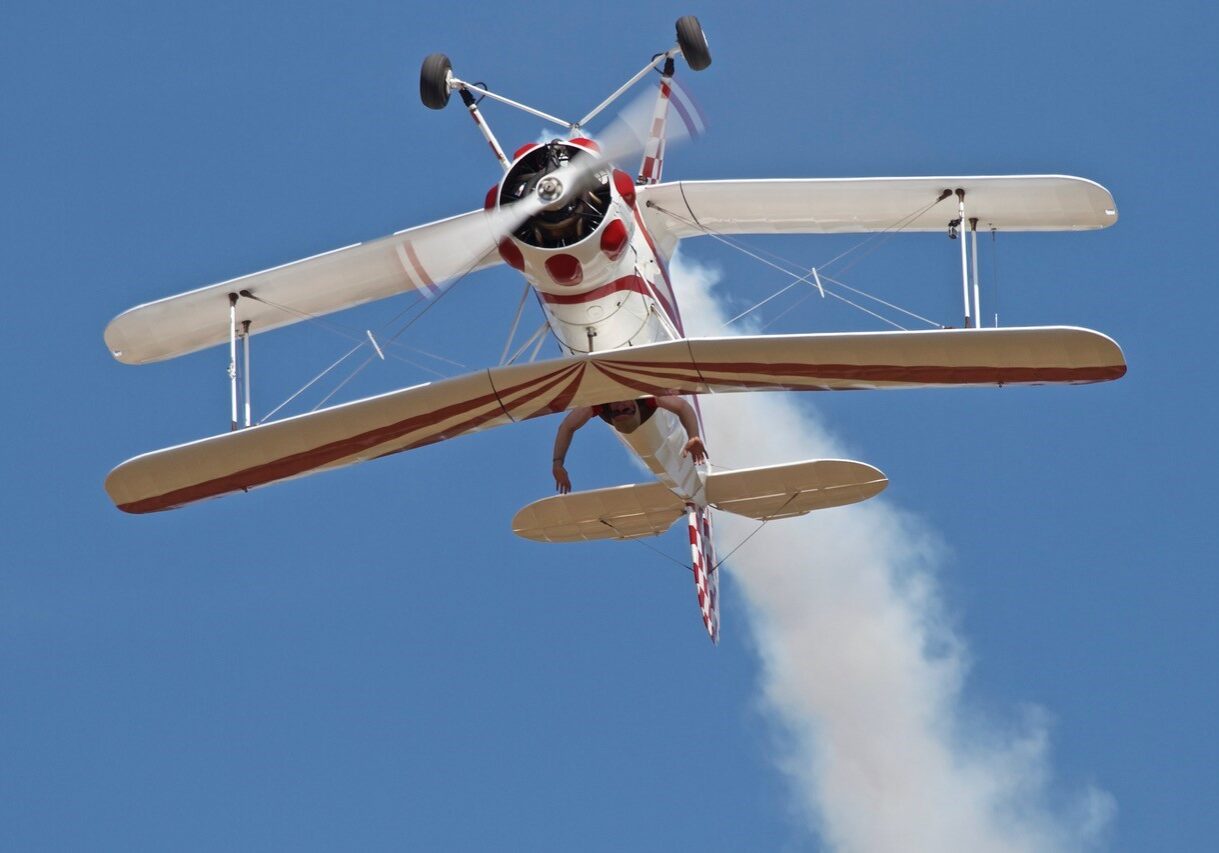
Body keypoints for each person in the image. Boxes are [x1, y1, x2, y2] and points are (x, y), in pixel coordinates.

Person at [551, 396, 708, 494]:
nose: (619, 405)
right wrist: (694, 436)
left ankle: (693, 492)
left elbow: (567, 426)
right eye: (625, 409)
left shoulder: (599, 405)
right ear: (635, 408)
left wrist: (557, 464)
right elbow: (681, 406)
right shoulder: (648, 398)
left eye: (616, 412)